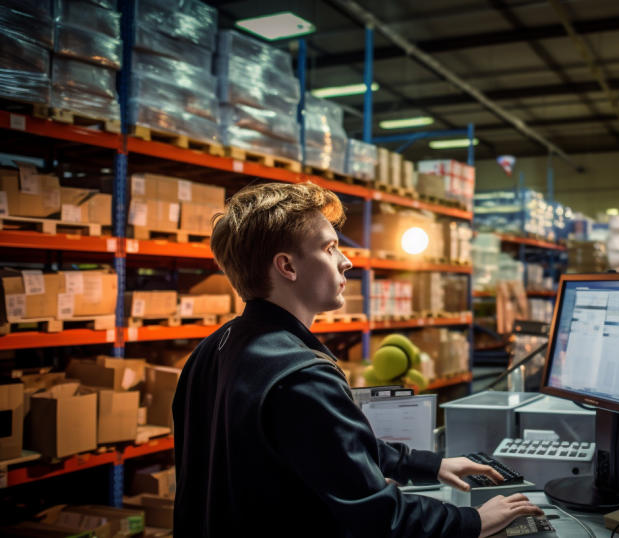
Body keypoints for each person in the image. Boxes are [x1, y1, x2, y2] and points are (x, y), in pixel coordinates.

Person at [173, 182, 542, 537]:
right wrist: (475, 520)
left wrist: (432, 465)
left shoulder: (211, 350)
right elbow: (381, 519)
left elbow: (328, 447)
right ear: (287, 267)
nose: (346, 261)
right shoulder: (301, 377)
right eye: (329, 247)